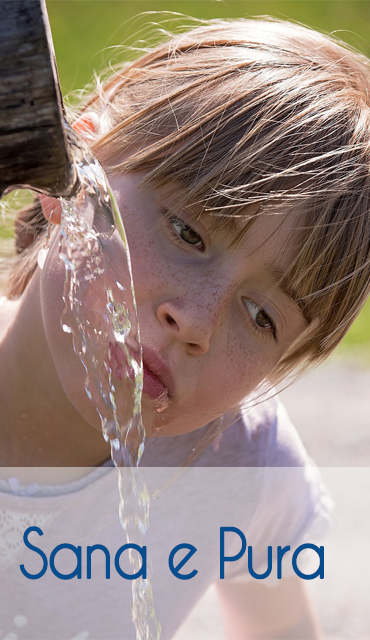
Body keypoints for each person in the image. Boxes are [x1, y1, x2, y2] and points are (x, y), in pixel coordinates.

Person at [0, 16, 369, 639]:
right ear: (68, 176)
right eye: (187, 232)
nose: (195, 320)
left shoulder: (235, 465)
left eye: (261, 316)